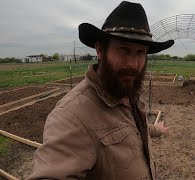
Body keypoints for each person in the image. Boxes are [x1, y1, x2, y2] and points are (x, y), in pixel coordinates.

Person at [27, 1, 174, 179]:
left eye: (140, 52)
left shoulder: (125, 92)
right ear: (100, 50)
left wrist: (156, 130)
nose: (133, 64)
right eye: (124, 50)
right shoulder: (71, 115)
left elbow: (131, 126)